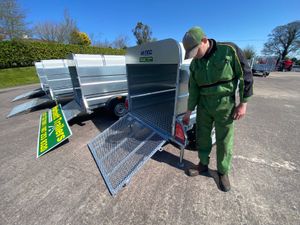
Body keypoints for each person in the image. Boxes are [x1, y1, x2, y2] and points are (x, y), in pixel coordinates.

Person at [182, 26, 253, 192]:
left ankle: (222, 172)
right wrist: (188, 110)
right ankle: (203, 165)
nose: (195, 56)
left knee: (224, 140)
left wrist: (243, 103)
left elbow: (245, 75)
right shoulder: (195, 64)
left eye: (196, 50)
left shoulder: (229, 50)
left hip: (225, 105)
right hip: (204, 105)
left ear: (204, 41)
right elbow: (193, 89)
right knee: (203, 136)